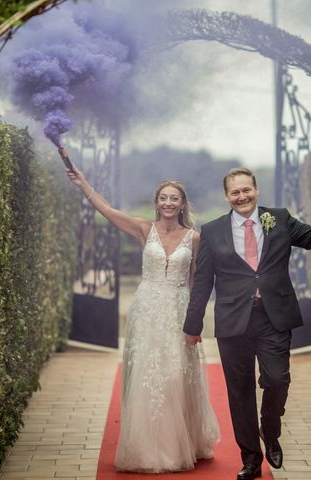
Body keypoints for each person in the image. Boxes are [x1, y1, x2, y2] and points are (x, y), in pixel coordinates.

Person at [183, 167, 311, 480]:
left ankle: (270, 430)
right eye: (235, 192)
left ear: (256, 190)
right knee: (239, 392)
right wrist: (193, 324)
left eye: (247, 190)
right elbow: (202, 281)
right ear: (227, 196)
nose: (241, 197)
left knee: (277, 379)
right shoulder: (213, 231)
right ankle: (251, 459)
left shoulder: (279, 219)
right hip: (233, 322)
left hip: (274, 316)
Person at [66, 165, 220, 473]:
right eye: (163, 197)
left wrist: (195, 321)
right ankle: (148, 448)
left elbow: (197, 282)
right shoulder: (143, 229)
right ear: (156, 202)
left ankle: (181, 442)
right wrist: (83, 184)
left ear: (182, 204)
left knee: (176, 375)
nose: (167, 203)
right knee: (147, 377)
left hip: (177, 308)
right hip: (147, 309)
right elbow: (108, 211)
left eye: (173, 198)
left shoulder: (195, 239)